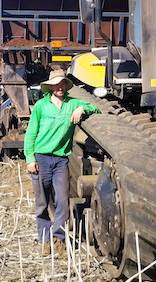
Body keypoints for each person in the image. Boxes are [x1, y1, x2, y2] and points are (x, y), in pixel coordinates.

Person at [23, 70, 100, 255]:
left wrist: (83, 109)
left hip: (60, 160)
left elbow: (95, 107)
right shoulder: (41, 106)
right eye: (56, 84)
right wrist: (30, 158)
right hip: (41, 158)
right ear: (50, 86)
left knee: (63, 201)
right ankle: (44, 240)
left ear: (66, 85)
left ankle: (59, 237)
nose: (60, 87)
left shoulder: (73, 103)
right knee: (42, 202)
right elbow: (31, 134)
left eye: (62, 83)